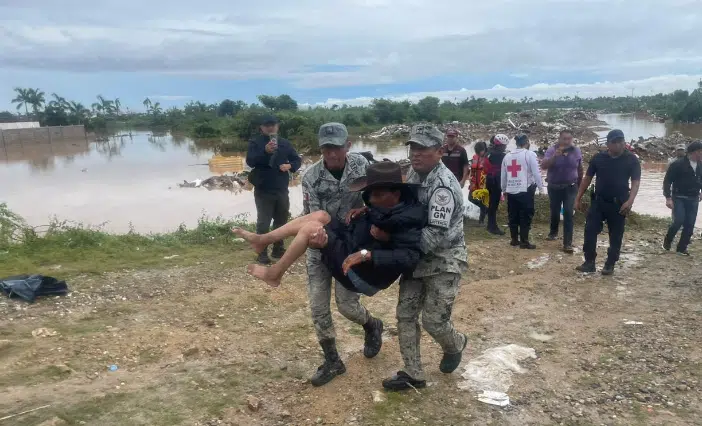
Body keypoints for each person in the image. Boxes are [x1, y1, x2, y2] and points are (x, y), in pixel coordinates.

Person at [233, 161, 426, 291]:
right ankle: (262, 240)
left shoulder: (407, 219)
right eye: (370, 194)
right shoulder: (383, 206)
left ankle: (274, 273)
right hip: (352, 245)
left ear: (397, 194)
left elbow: (410, 256)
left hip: (363, 274)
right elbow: (379, 215)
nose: (371, 200)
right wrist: (365, 211)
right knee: (321, 215)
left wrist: (369, 254)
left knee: (312, 229)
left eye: (377, 195)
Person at [383, 124, 468, 392]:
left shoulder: (442, 186)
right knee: (405, 315)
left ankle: (455, 344)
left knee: (434, 320)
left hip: (444, 261)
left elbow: (433, 236)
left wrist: (391, 248)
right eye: (413, 148)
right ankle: (413, 372)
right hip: (415, 259)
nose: (415, 154)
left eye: (423, 149)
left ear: (440, 151)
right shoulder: (413, 174)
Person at [300, 122, 383, 387]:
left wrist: (366, 211)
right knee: (317, 306)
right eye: (326, 148)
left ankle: (372, 325)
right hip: (320, 247)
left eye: (337, 147)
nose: (332, 154)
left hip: (350, 246)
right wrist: (317, 239)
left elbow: (380, 197)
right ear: (320, 148)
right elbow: (313, 216)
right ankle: (333, 360)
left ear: (347, 145)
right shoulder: (311, 178)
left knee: (347, 306)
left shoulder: (362, 167)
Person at [575, 129, 641, 275]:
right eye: (615, 142)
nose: (619, 145)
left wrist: (630, 201)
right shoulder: (598, 158)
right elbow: (587, 179)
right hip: (598, 202)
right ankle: (589, 262)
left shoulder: (632, 160)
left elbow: (636, 182)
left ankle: (610, 264)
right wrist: (578, 198)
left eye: (621, 141)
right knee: (590, 231)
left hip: (619, 204)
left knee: (616, 235)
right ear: (608, 144)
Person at [246, 114, 302, 265]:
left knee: (281, 221)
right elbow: (250, 162)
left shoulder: (284, 143)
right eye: (267, 125)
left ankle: (278, 249)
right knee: (263, 223)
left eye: (273, 124)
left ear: (277, 126)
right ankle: (262, 253)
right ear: (261, 128)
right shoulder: (255, 143)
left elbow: (297, 160)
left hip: (282, 188)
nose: (270, 127)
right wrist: (265, 151)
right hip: (263, 189)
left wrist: (290, 166)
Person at [540, 130, 584, 253]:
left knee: (568, 213)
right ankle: (553, 232)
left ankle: (567, 243)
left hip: (571, 187)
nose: (567, 141)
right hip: (554, 187)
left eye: (569, 139)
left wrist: (580, 186)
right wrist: (555, 156)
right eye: (564, 139)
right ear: (559, 139)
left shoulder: (576, 151)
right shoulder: (551, 150)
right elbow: (543, 166)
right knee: (554, 211)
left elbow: (580, 168)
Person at [501, 134, 544, 249]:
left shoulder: (507, 156)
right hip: (525, 190)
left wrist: (504, 189)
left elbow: (503, 175)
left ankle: (514, 239)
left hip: (511, 190)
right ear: (527, 142)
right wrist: (541, 188)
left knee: (513, 215)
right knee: (526, 215)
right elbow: (536, 173)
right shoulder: (530, 154)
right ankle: (524, 241)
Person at [663, 141, 702, 256]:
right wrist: (668, 198)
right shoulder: (677, 164)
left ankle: (681, 248)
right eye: (700, 152)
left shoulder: (700, 165)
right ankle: (668, 240)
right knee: (679, 220)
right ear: (694, 152)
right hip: (679, 196)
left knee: (690, 224)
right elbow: (667, 181)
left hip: (694, 198)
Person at [485, 134, 509, 235]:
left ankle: (490, 225)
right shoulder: (500, 155)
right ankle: (493, 227)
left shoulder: (489, 152)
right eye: (504, 145)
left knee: (491, 204)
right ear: (500, 145)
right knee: (494, 204)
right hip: (496, 181)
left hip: (489, 180)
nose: (505, 147)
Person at [468, 141, 489, 224]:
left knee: (483, 201)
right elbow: (472, 171)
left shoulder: (488, 158)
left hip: (483, 183)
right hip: (475, 182)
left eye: (479, 151)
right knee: (470, 198)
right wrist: (471, 182)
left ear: (484, 149)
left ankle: (481, 221)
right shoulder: (475, 157)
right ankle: (485, 209)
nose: (478, 153)